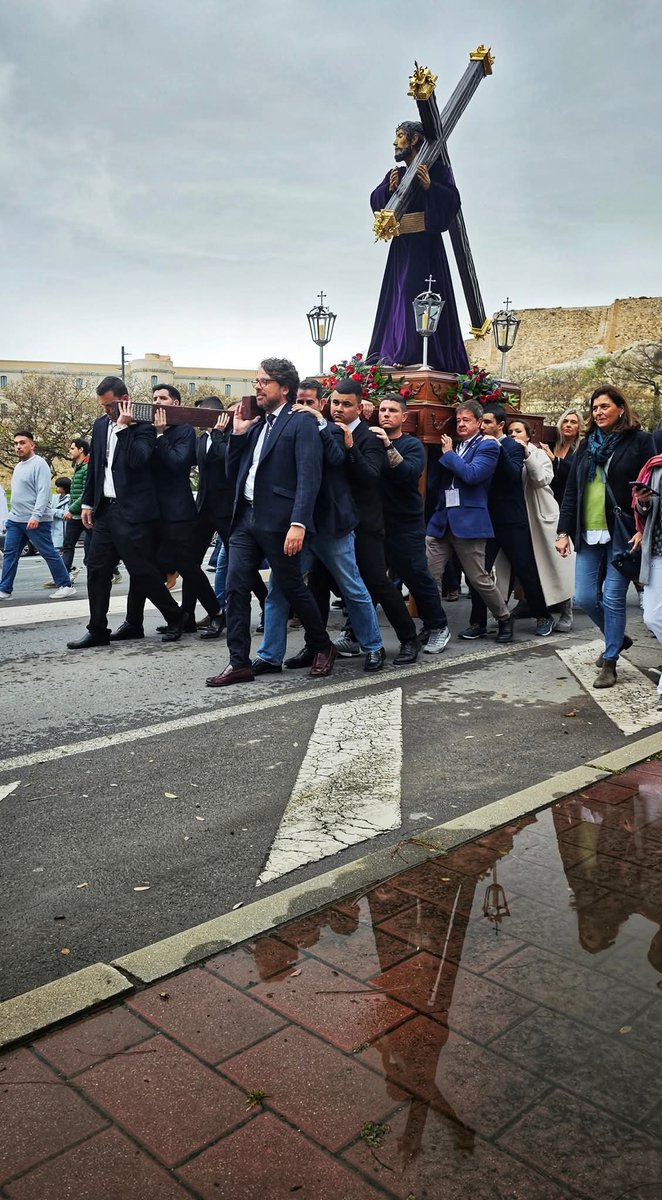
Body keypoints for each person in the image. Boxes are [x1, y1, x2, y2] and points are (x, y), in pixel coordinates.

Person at [206, 357, 336, 687]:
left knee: (291, 586)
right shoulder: (258, 424)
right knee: (236, 589)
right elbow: (233, 472)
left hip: (279, 522)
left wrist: (299, 523)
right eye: (257, 382)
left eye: (264, 382)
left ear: (284, 387)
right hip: (245, 519)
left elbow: (309, 476)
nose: (258, 388)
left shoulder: (300, 422)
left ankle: (322, 646)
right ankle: (239, 663)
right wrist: (237, 435)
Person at [253, 379, 385, 674]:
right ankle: (270, 655)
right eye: (299, 401)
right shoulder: (282, 427)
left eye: (310, 402)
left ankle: (373, 646)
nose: (302, 407)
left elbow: (338, 459)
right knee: (279, 589)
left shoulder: (335, 431)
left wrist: (320, 423)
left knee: (352, 587)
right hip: (295, 525)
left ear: (319, 404)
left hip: (330, 525)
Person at [67, 376, 183, 649]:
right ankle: (97, 629)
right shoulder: (99, 425)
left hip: (134, 513)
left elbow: (138, 460)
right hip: (105, 511)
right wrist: (87, 504)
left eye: (111, 406)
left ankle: (176, 616)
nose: (107, 412)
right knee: (96, 569)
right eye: (104, 407)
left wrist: (122, 429)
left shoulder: (143, 426)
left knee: (142, 571)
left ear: (125, 400)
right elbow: (97, 468)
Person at [557, 385, 655, 688]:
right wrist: (563, 531)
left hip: (623, 532)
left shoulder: (639, 441)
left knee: (613, 597)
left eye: (604, 407)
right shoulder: (586, 445)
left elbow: (651, 486)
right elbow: (572, 491)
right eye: (595, 407)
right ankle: (618, 637)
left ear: (620, 409)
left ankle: (610, 660)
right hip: (588, 530)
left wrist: (643, 525)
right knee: (585, 596)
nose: (598, 412)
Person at [113, 382, 224, 642]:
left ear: (175, 404)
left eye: (163, 398)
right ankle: (139, 621)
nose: (157, 401)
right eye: (154, 397)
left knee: (187, 566)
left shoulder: (184, 431)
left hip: (178, 512)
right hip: (152, 512)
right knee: (144, 566)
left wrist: (161, 436)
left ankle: (217, 612)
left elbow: (177, 464)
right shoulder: (145, 429)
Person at [323, 378, 420, 665]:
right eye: (335, 403)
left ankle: (408, 639)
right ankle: (318, 645)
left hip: (365, 523)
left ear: (359, 408)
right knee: (322, 582)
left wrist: (351, 447)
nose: (339, 409)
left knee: (378, 583)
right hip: (332, 521)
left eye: (346, 404)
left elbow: (369, 477)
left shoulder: (370, 437)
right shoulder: (326, 431)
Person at [367, 122, 469, 374]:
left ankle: (415, 353)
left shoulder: (437, 171)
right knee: (397, 299)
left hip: (426, 248)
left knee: (417, 295)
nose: (395, 142)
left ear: (414, 140)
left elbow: (450, 201)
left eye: (400, 136)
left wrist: (430, 187)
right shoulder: (396, 174)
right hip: (401, 248)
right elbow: (377, 202)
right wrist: (388, 190)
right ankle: (392, 352)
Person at [425, 400, 512, 642]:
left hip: (469, 522)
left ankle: (504, 618)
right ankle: (434, 623)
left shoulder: (488, 446)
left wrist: (449, 454)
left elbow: (473, 475)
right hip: (441, 521)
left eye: (467, 420)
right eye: (458, 420)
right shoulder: (454, 446)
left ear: (478, 423)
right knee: (428, 576)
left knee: (478, 579)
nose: (461, 424)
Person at [464, 404, 552, 640]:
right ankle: (478, 622)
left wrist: (497, 448)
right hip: (486, 519)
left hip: (512, 519)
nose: (483, 427)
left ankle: (542, 615)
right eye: (481, 422)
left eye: (488, 423)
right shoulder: (477, 445)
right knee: (478, 573)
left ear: (500, 425)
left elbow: (514, 476)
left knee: (525, 570)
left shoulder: (512, 446)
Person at [374, 393, 451, 654]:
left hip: (405, 525)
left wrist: (387, 446)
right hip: (375, 524)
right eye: (383, 409)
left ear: (403, 417)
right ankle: (353, 631)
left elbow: (408, 474)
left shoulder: (412, 445)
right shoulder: (369, 441)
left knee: (417, 577)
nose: (386, 414)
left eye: (392, 411)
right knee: (370, 579)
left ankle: (438, 626)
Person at [508, 419, 575, 633]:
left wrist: (527, 455)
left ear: (529, 436)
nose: (513, 435)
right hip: (519, 518)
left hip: (543, 516)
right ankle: (526, 603)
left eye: (518, 431)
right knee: (524, 566)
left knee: (556, 565)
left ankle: (567, 610)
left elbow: (540, 480)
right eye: (510, 431)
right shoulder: (507, 453)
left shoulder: (538, 454)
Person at [0, 431, 76, 600]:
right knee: (10, 555)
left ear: (32, 445)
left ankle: (65, 585)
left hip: (36, 520)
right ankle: (4, 589)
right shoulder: (19, 467)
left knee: (48, 552)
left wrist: (36, 516)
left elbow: (43, 493)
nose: (18, 446)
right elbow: (19, 495)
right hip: (16, 520)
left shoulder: (39, 464)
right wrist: (9, 517)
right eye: (16, 443)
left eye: (22, 443)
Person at [631, 455, 662, 709]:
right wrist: (644, 500)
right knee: (652, 618)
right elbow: (645, 511)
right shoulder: (656, 466)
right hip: (658, 552)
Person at [540, 407, 584, 506]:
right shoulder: (550, 445)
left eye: (573, 422)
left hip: (568, 502)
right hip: (546, 500)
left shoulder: (583, 447)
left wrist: (555, 460)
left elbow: (576, 471)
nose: (568, 425)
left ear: (579, 428)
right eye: (565, 421)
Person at [61, 437, 90, 581]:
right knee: (68, 545)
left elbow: (86, 492)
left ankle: (112, 571)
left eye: (72, 448)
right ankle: (63, 577)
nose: (70, 451)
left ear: (81, 450)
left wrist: (71, 509)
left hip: (87, 514)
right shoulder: (77, 467)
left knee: (93, 547)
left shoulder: (87, 467)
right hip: (75, 516)